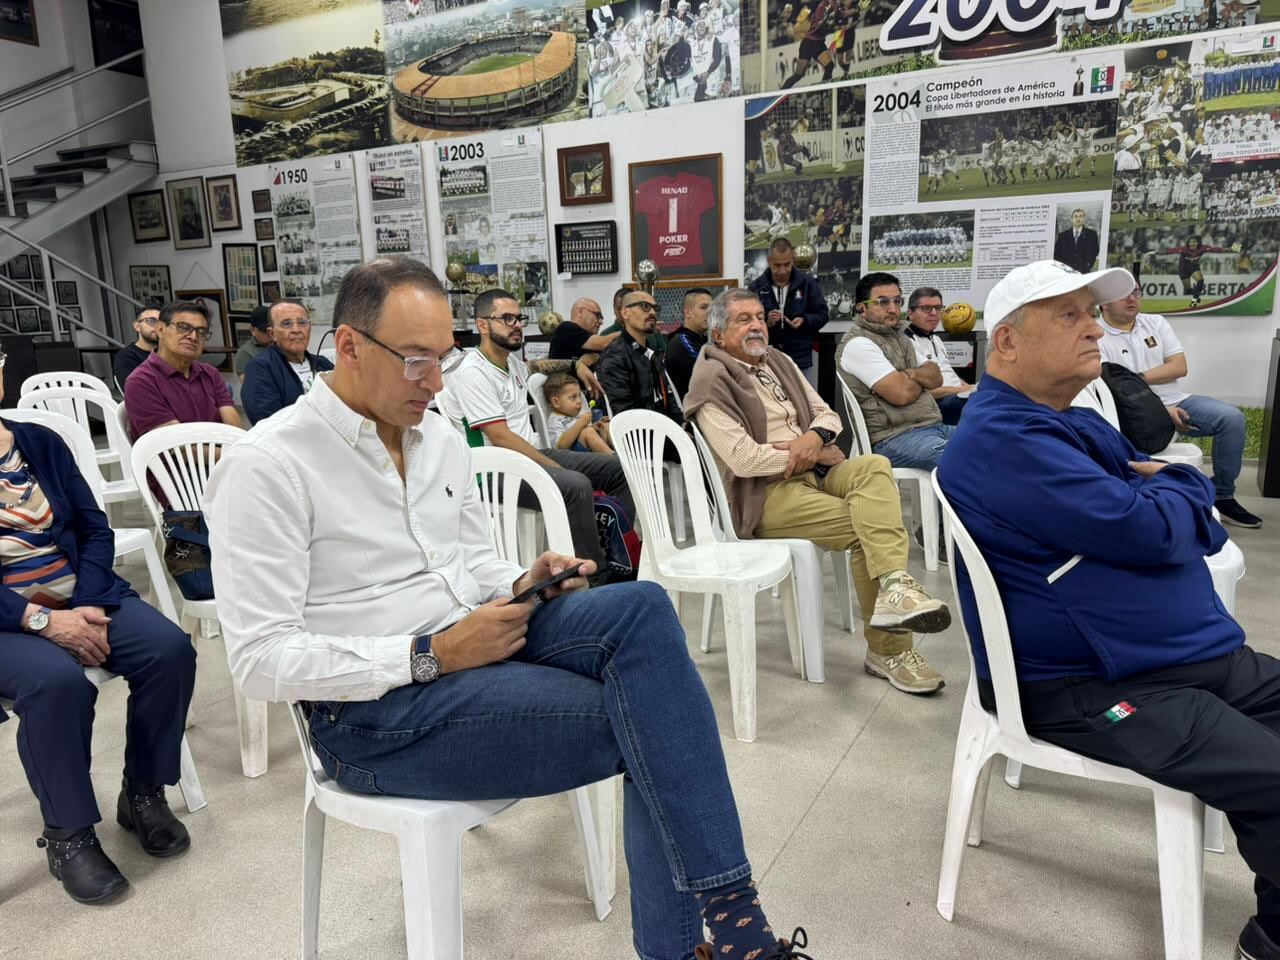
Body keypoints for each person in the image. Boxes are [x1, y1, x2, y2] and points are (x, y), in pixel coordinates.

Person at [204, 257, 820, 960]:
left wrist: (524, 578)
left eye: (443, 358)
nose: (436, 383)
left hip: (471, 642)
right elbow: (257, 660)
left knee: (643, 608)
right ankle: (720, 940)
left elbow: (468, 565)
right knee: (651, 719)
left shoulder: (435, 437)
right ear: (347, 347)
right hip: (374, 715)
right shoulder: (269, 464)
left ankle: (730, 924)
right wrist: (429, 654)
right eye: (415, 362)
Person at [937, 259, 1280, 960]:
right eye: (1069, 315)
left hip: (1181, 657)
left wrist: (1170, 500)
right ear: (1006, 341)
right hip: (1098, 686)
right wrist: (1186, 484)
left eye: (1090, 312)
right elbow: (1157, 526)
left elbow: (1167, 517)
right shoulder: (1008, 439)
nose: (1096, 326)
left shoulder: (1064, 421)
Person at [684, 288, 951, 695]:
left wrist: (813, 436)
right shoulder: (709, 384)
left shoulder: (780, 361)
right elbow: (744, 460)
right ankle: (889, 651)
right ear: (718, 335)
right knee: (868, 528)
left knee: (874, 467)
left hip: (815, 469)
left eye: (759, 316)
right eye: (743, 320)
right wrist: (809, 451)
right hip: (764, 496)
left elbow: (828, 414)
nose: (757, 325)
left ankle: (896, 585)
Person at [0, 360, 196, 904]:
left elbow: (92, 526)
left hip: (78, 593)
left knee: (169, 650)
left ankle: (143, 792)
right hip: (8, 618)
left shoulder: (38, 441)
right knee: (58, 684)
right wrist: (39, 620)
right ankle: (68, 835)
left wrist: (84, 604)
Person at [436, 288, 630, 582]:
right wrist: (549, 466)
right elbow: (500, 437)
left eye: (519, 317)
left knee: (619, 469)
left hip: (529, 456)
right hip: (496, 471)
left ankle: (618, 556)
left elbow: (536, 367)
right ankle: (597, 579)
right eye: (507, 318)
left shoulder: (511, 363)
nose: (516, 324)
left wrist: (575, 363)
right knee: (575, 484)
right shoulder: (471, 373)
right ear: (483, 325)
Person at [1099, 283, 1261, 528]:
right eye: (1123, 294)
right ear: (1104, 302)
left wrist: (1135, 381)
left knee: (1231, 419)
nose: (1132, 298)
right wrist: (1158, 409)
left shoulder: (1155, 323)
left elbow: (1179, 367)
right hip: (1131, 414)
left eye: (1136, 293)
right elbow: (1110, 387)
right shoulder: (1095, 333)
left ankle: (1223, 496)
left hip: (1177, 400)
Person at [837, 272, 956, 470]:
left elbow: (936, 377)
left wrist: (911, 375)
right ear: (861, 308)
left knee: (992, 443)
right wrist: (918, 378)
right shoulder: (858, 344)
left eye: (897, 301)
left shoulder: (901, 337)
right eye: (883, 302)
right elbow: (901, 394)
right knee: (962, 460)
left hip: (932, 426)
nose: (893, 309)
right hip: (893, 438)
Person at [124, 300, 241, 440]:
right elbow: (175, 447)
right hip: (175, 460)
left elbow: (233, 427)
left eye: (201, 331)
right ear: (160, 330)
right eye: (183, 327)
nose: (193, 337)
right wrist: (230, 455)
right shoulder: (141, 382)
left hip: (219, 455)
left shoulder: (210, 373)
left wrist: (238, 451)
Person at [748, 237, 828, 387]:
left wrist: (805, 320)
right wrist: (766, 323)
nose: (782, 270)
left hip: (800, 359)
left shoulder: (808, 283)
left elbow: (823, 315)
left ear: (793, 260)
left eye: (787, 264)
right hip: (767, 359)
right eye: (777, 265)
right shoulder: (756, 286)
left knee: (805, 404)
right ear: (769, 261)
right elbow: (747, 322)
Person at [240, 301, 334, 425]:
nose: (296, 330)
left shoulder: (323, 363)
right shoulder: (260, 368)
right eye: (286, 324)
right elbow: (268, 423)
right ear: (272, 333)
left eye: (302, 322)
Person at [598, 289, 682, 420]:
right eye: (645, 306)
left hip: (666, 428)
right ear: (625, 313)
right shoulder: (614, 357)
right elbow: (624, 414)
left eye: (655, 308)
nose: (653, 312)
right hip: (641, 435)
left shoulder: (651, 353)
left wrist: (682, 425)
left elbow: (668, 398)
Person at [902, 287, 970, 426]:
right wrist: (963, 390)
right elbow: (925, 392)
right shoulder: (906, 343)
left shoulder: (936, 339)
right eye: (926, 308)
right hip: (937, 404)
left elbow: (948, 372)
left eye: (938, 308)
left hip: (956, 396)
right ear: (911, 313)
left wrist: (970, 387)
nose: (934, 313)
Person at [544, 372, 612, 454]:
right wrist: (580, 423)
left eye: (579, 396)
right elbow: (561, 445)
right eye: (573, 397)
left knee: (604, 426)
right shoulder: (554, 420)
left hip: (587, 450)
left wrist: (596, 425)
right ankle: (615, 460)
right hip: (572, 456)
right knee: (588, 432)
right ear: (556, 402)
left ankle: (622, 452)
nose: (579, 401)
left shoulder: (573, 417)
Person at [664, 287, 711, 398]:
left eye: (712, 308)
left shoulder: (704, 339)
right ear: (688, 312)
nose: (710, 313)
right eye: (704, 307)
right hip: (691, 410)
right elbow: (710, 374)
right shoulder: (681, 341)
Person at [547, 297, 620, 361]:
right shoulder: (566, 328)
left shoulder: (585, 338)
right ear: (580, 312)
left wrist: (596, 356)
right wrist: (628, 332)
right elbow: (603, 343)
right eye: (597, 315)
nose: (601, 322)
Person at [113, 306, 160, 391]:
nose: (158, 327)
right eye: (152, 321)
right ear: (137, 326)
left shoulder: (170, 353)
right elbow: (134, 391)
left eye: (161, 323)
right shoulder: (126, 357)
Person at [1052, 208, 1101, 273]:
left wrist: (1088, 264)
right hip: (1066, 273)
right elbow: (1057, 254)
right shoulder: (1062, 236)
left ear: (1084, 218)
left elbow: (1095, 251)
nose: (1078, 219)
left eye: (1081, 216)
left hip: (1084, 271)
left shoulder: (1092, 234)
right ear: (1072, 219)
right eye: (1075, 216)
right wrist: (1063, 268)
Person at [233, 305, 274, 382]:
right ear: (253, 330)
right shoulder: (245, 353)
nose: (270, 333)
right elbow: (249, 384)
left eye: (271, 329)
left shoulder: (282, 345)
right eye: (265, 330)